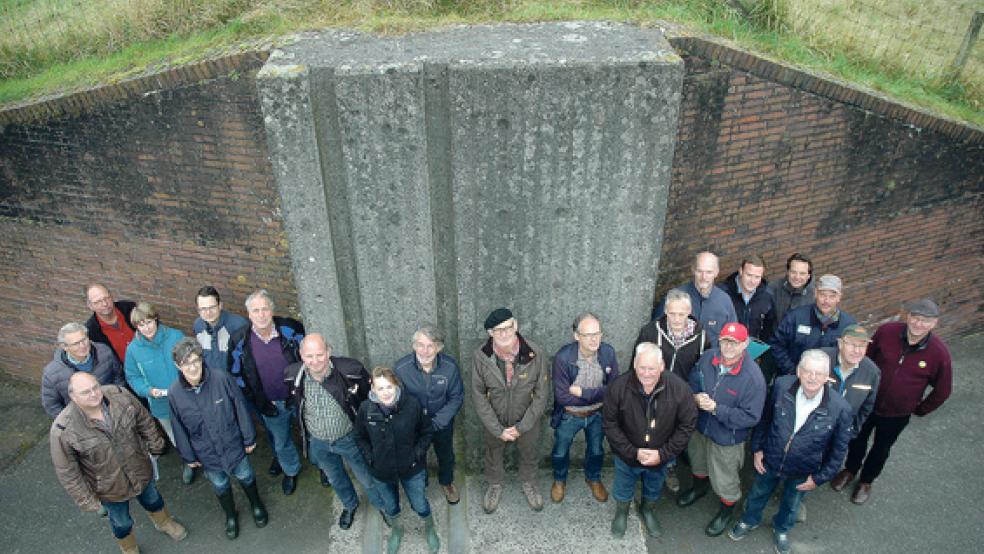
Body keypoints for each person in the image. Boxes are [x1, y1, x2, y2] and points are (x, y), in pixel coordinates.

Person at [728, 350, 852, 554]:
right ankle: (749, 520)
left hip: (804, 469)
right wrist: (757, 449)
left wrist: (820, 478)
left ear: (827, 376)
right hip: (770, 458)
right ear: (799, 371)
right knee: (758, 492)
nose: (813, 378)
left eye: (819, 373)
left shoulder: (840, 408)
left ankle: (781, 529)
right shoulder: (780, 386)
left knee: (792, 504)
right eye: (808, 371)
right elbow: (764, 420)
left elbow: (838, 451)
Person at [50, 372, 187, 554]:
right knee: (121, 522)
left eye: (95, 387)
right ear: (73, 397)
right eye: (85, 392)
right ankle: (128, 547)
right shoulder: (63, 429)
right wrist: (87, 500)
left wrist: (155, 445)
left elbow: (143, 420)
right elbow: (67, 471)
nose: (93, 394)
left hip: (139, 468)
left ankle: (164, 522)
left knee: (153, 499)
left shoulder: (120, 395)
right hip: (108, 487)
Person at [835, 299, 952, 505]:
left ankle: (866, 481)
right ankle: (850, 470)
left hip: (897, 413)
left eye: (925, 321)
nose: (918, 324)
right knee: (856, 439)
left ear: (934, 324)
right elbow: (864, 360)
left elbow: (943, 390)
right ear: (907, 316)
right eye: (915, 317)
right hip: (867, 403)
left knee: (881, 448)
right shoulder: (886, 332)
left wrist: (919, 409)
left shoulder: (939, 353)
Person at [168, 338, 267, 540]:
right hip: (207, 453)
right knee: (220, 485)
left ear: (202, 360)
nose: (193, 367)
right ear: (178, 366)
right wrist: (188, 456)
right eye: (187, 363)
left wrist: (249, 438)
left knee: (246, 476)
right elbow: (178, 427)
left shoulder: (221, 378)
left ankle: (256, 504)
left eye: (196, 361)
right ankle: (231, 515)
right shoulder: (174, 394)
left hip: (233, 445)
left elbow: (240, 408)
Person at [285, 333, 382, 530]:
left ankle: (382, 506)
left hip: (348, 438)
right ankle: (350, 505)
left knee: (366, 477)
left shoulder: (350, 370)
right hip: (319, 442)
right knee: (335, 478)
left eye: (319, 354)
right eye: (309, 356)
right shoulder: (292, 375)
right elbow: (294, 404)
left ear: (328, 352)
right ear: (301, 355)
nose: (315, 361)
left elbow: (368, 400)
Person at [677, 322, 766, 537]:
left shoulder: (753, 378)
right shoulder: (708, 357)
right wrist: (695, 396)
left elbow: (751, 417)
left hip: (727, 437)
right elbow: (692, 381)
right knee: (698, 462)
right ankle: (699, 488)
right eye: (725, 340)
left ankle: (727, 511)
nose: (728, 347)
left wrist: (717, 409)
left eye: (734, 343)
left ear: (745, 344)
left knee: (725, 480)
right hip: (700, 427)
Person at [602, 342, 697, 538]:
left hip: (660, 456)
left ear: (662, 365)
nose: (646, 373)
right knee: (623, 485)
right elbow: (610, 424)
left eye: (651, 368)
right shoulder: (618, 387)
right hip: (627, 456)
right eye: (642, 368)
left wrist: (663, 454)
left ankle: (648, 509)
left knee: (654, 486)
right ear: (634, 364)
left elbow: (687, 426)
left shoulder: (680, 389)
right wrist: (631, 452)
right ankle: (622, 512)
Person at [472, 307, 550, 514]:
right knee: (493, 453)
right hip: (494, 420)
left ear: (516, 326)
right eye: (498, 331)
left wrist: (522, 427)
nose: (504, 334)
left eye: (508, 328)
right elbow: (478, 395)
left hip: (528, 419)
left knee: (529, 452)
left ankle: (529, 483)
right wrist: (497, 429)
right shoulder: (481, 356)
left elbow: (542, 394)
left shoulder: (536, 353)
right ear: (490, 333)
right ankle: (494, 484)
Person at [633, 288, 711, 492]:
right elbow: (637, 363)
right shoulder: (650, 331)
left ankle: (669, 467)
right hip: (653, 394)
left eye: (681, 314)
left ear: (689, 312)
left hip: (682, 397)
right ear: (665, 310)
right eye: (672, 313)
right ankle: (644, 467)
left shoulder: (701, 336)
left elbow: (703, 368)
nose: (676, 319)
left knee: (674, 434)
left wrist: (693, 394)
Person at [355, 367, 439, 554]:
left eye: (389, 387)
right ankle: (397, 530)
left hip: (411, 467)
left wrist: (416, 454)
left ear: (396, 385)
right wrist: (371, 458)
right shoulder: (365, 409)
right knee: (391, 506)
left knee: (420, 504)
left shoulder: (412, 405)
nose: (385, 392)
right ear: (373, 389)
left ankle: (429, 527)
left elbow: (426, 432)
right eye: (380, 388)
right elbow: (359, 437)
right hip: (381, 470)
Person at [228, 289, 305, 495]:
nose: (261, 314)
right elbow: (237, 376)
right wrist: (259, 401)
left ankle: (323, 467)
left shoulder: (290, 329)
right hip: (270, 404)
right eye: (256, 310)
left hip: (300, 398)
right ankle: (291, 470)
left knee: (313, 435)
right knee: (281, 442)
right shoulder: (239, 341)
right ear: (249, 314)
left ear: (272, 310)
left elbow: (309, 356)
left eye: (265, 309)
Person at [549, 312, 618, 504]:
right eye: (588, 335)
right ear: (576, 336)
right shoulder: (563, 358)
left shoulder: (608, 353)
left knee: (596, 450)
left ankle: (593, 478)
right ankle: (559, 480)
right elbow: (562, 397)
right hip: (569, 415)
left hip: (597, 414)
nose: (594, 339)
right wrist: (598, 393)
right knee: (560, 451)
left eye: (597, 333)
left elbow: (614, 388)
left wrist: (583, 393)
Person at [393, 325, 464, 504]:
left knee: (446, 455)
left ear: (439, 347)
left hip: (442, 423)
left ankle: (447, 482)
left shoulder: (450, 367)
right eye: (420, 345)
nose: (425, 351)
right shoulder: (401, 368)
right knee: (417, 455)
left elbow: (456, 397)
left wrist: (438, 422)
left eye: (430, 345)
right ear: (414, 346)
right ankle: (421, 482)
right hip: (414, 425)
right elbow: (398, 399)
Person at [122, 301, 188, 482]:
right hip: (160, 403)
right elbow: (133, 377)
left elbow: (192, 361)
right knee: (175, 435)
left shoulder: (176, 336)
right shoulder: (133, 350)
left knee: (195, 428)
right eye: (141, 325)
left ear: (156, 319)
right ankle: (188, 461)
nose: (146, 328)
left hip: (186, 397)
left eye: (149, 322)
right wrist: (148, 390)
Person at [769, 274, 857, 376]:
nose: (826, 301)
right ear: (815, 293)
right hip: (794, 378)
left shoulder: (849, 326)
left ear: (839, 297)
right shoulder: (796, 317)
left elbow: (851, 357)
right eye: (823, 295)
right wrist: (792, 371)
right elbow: (777, 344)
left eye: (832, 296)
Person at [42, 322, 123, 419]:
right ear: (65, 347)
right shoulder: (52, 373)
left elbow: (119, 377)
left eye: (84, 340)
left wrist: (116, 401)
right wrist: (74, 423)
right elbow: (52, 405)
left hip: (113, 411)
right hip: (83, 421)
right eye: (76, 343)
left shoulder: (104, 351)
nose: (82, 346)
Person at [653, 251, 737, 343]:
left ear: (716, 273)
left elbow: (732, 337)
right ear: (693, 270)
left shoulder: (724, 301)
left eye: (709, 272)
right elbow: (655, 330)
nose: (704, 277)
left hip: (711, 356)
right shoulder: (674, 298)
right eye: (699, 271)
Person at [717, 254, 775, 340]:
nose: (752, 281)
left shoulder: (767, 296)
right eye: (749, 275)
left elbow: (769, 326)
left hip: (754, 349)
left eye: (757, 277)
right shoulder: (722, 293)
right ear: (741, 271)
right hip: (727, 347)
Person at [193, 286, 249, 372]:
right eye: (203, 308)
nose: (208, 312)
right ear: (198, 310)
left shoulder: (239, 326)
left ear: (220, 305)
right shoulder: (198, 326)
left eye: (212, 307)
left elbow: (249, 362)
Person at [84, 284, 137, 365]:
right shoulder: (91, 332)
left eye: (106, 298)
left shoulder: (130, 308)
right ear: (90, 306)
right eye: (98, 302)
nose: (105, 304)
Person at [766, 253, 815, 324]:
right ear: (788, 272)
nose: (797, 277)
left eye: (802, 273)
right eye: (793, 272)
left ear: (808, 276)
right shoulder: (773, 287)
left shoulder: (815, 295)